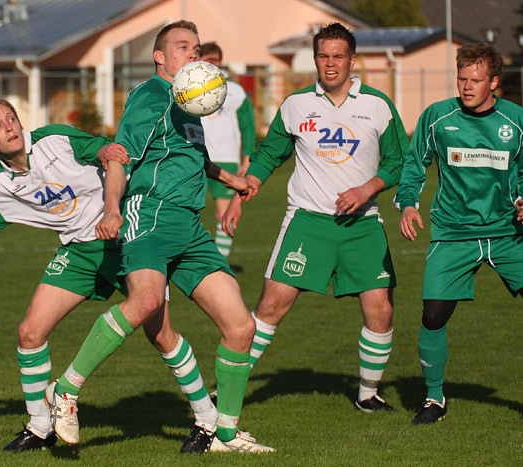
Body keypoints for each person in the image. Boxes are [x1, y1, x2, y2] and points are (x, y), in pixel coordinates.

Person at [0, 97, 218, 453]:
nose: (10, 127)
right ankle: (39, 427)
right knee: (30, 332)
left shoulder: (53, 140)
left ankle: (207, 420)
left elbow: (102, 150)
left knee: (161, 333)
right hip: (79, 251)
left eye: (11, 118)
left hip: (128, 238)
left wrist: (107, 150)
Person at [46, 20, 274, 454]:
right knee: (146, 303)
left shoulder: (191, 102)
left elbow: (195, 160)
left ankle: (224, 433)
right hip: (148, 213)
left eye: (197, 47)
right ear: (160, 56)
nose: (193, 53)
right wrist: (113, 208)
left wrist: (234, 180)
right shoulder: (150, 97)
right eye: (182, 47)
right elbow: (120, 157)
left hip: (189, 225)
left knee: (240, 326)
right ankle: (67, 389)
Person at [223, 23, 409, 412]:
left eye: (338, 56)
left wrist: (367, 188)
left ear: (352, 60)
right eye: (323, 56)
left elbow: (399, 162)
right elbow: (271, 152)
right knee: (272, 305)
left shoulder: (378, 105)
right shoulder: (295, 104)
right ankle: (227, 392)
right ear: (315, 59)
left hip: (362, 225)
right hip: (307, 222)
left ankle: (368, 394)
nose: (330, 64)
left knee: (381, 308)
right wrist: (247, 187)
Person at [395, 43, 523, 425]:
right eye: (462, 78)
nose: (467, 86)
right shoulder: (438, 117)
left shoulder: (516, 120)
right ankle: (435, 399)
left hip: (507, 233)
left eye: (476, 80)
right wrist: (408, 204)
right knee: (433, 314)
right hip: (453, 233)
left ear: (494, 82)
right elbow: (414, 165)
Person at [199, 42, 256, 261]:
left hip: (227, 160)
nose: (210, 63)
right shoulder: (192, 86)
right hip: (197, 158)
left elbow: (248, 126)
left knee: (223, 212)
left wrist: (248, 156)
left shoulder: (235, 90)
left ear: (221, 61)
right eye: (206, 59)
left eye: (214, 60)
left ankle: (218, 262)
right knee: (187, 210)